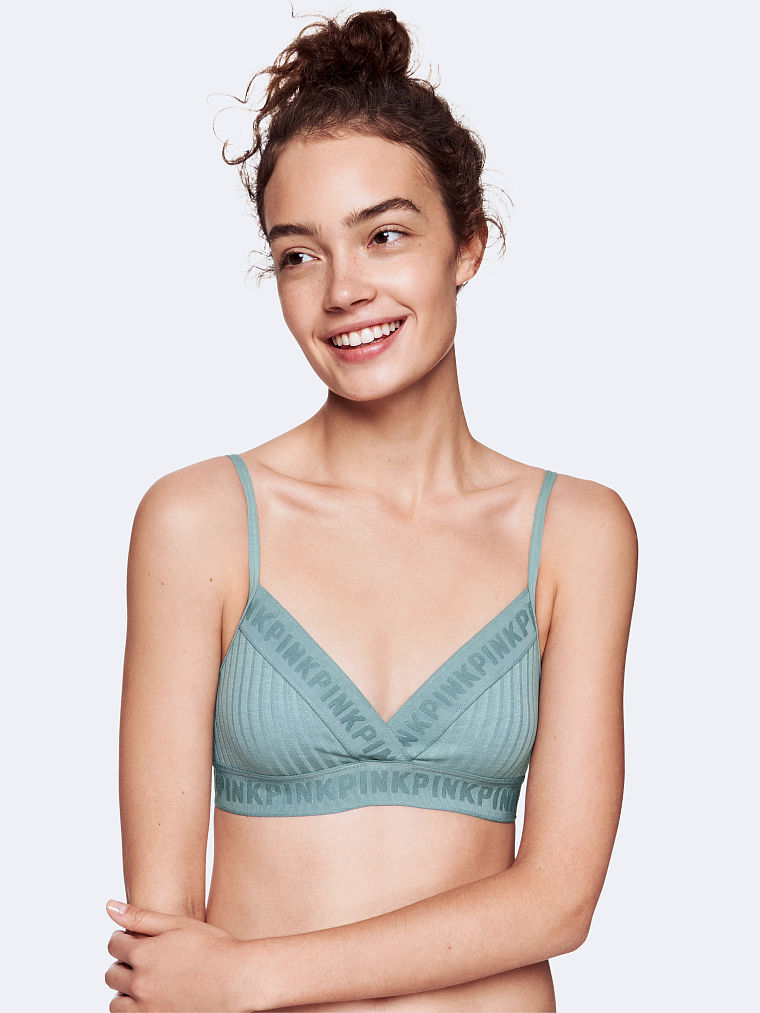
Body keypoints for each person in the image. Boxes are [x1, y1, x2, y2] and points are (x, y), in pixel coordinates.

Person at [105, 9, 637, 1011]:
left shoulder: (577, 534)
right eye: (299, 254)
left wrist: (252, 973)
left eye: (384, 235)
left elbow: (559, 899)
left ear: (468, 244)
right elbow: (164, 952)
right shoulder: (198, 521)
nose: (343, 289)